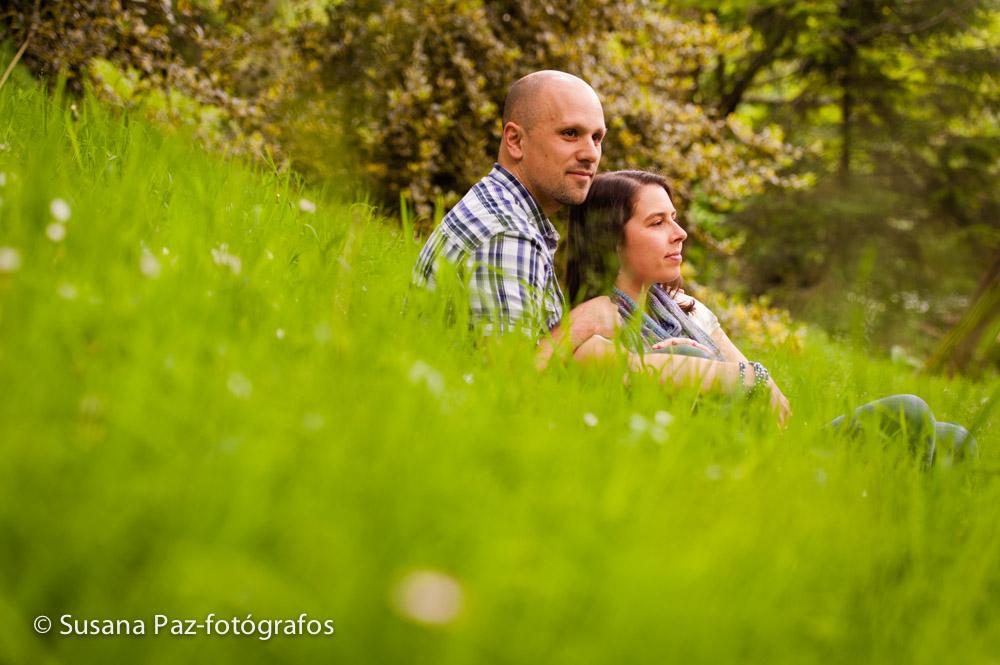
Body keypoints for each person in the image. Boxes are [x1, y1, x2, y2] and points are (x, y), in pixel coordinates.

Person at [565, 169, 976, 463]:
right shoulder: (601, 318)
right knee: (911, 410)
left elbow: (773, 402)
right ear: (612, 242)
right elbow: (559, 360)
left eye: (674, 218)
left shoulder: (690, 310)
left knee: (956, 440)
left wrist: (736, 375)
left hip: (775, 448)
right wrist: (695, 365)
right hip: (724, 468)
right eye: (657, 222)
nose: (679, 232)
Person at [412, 70, 618, 356]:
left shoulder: (506, 210)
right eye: (570, 134)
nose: (590, 154)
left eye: (597, 138)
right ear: (515, 140)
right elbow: (508, 379)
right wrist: (581, 324)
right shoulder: (507, 232)